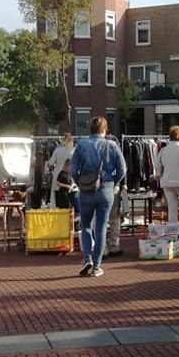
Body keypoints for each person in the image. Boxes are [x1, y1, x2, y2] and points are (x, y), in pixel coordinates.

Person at [71, 117, 127, 277]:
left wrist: (80, 181)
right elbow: (122, 168)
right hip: (106, 188)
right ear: (104, 129)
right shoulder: (112, 145)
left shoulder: (81, 144)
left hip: (86, 189)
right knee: (101, 227)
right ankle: (96, 266)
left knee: (86, 225)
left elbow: (73, 170)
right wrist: (114, 182)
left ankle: (87, 258)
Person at [158, 126, 179, 224]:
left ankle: (172, 231)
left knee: (172, 208)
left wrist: (159, 176)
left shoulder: (163, 150)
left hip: (167, 181)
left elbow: (158, 166)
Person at [47, 133, 75, 205]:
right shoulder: (73, 151)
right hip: (68, 176)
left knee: (55, 197)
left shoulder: (57, 150)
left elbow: (50, 163)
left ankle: (55, 211)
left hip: (57, 175)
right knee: (68, 195)